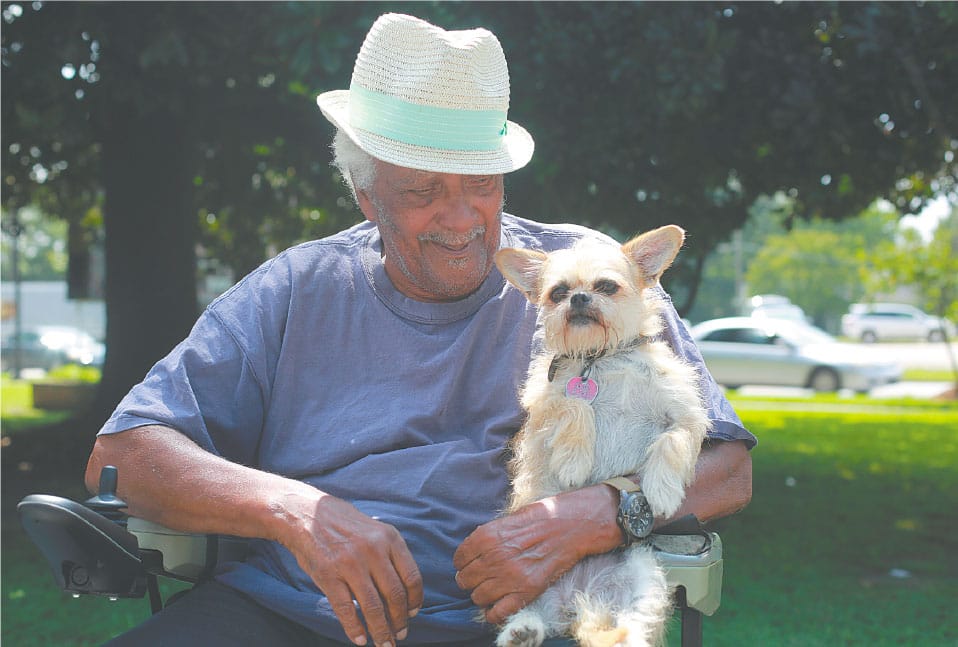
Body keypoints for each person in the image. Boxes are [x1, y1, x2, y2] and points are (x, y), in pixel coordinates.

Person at [86, 13, 754, 647]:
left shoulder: (579, 271)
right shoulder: (293, 289)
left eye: (482, 186)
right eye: (424, 191)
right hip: (286, 611)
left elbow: (727, 467)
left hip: (523, 619)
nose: (462, 220)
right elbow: (122, 456)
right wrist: (296, 511)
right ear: (366, 195)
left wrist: (595, 515)